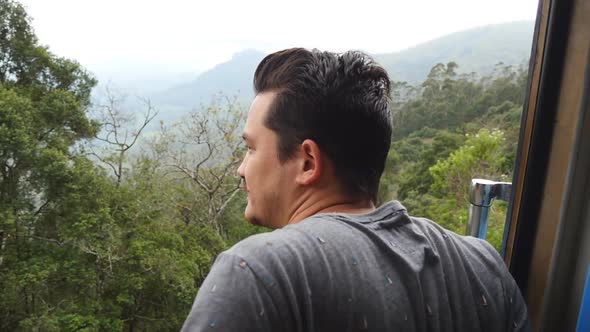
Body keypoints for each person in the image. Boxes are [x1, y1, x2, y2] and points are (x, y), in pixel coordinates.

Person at [181, 48, 529, 331]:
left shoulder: (258, 273)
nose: (242, 169)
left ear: (307, 162)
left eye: (252, 148)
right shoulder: (482, 266)